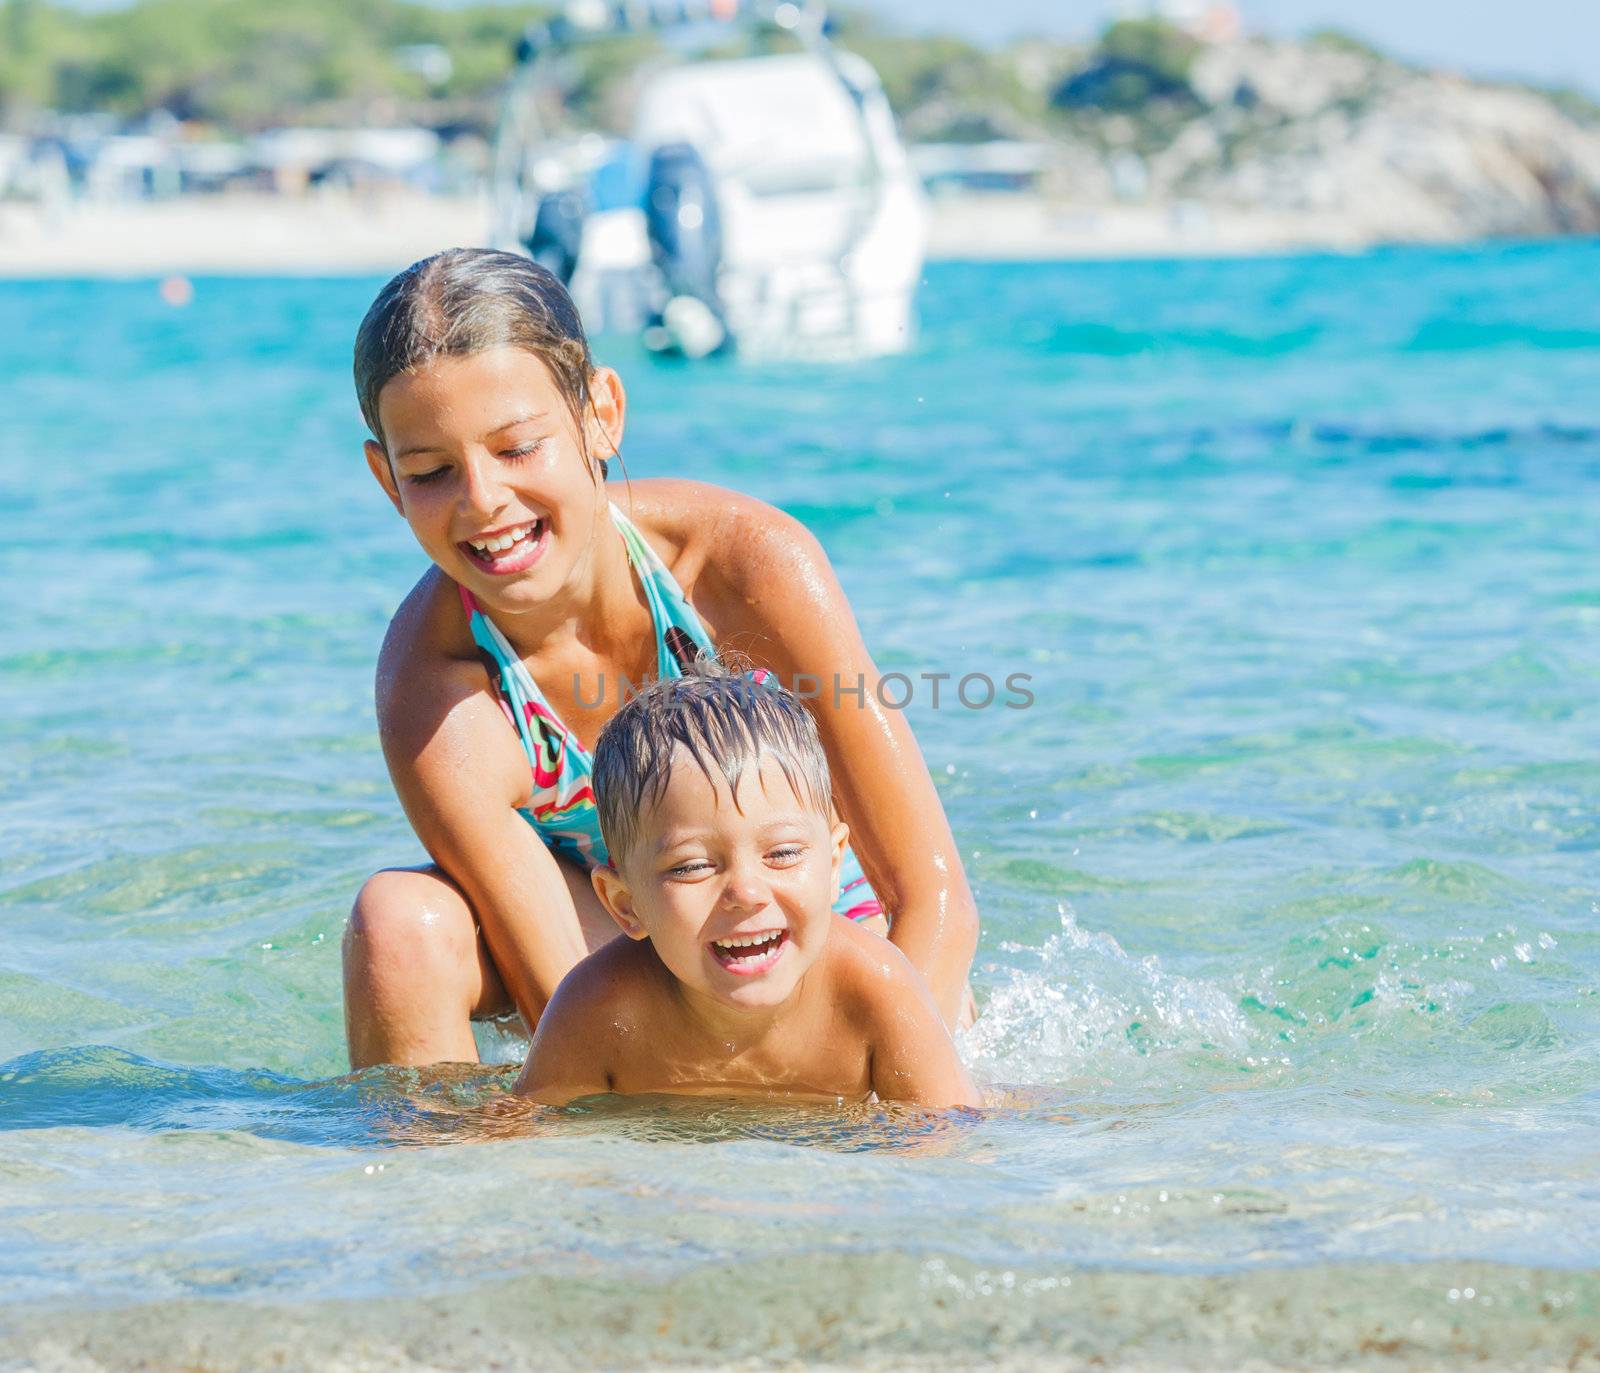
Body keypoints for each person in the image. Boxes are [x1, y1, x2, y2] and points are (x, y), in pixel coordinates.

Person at [344, 247, 977, 1068]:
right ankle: (459, 1186)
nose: (483, 499)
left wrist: (889, 1060)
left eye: (519, 448)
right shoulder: (435, 685)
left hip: (815, 940)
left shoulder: (745, 569)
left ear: (600, 413)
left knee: (933, 1011)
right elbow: (565, 1002)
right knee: (401, 924)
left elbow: (935, 897)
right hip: (632, 957)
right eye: (430, 471)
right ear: (387, 479)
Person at [515, 667, 981, 1108]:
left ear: (834, 862)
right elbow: (528, 1139)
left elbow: (949, 1144)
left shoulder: (874, 988)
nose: (746, 891)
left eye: (781, 854)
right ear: (625, 904)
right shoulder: (601, 1009)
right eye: (693, 866)